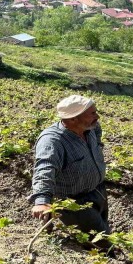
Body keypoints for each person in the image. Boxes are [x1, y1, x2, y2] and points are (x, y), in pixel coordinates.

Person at [29, 94, 110, 238]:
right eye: (92, 113)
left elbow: (97, 136)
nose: (97, 117)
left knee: (104, 231)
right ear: (73, 118)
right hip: (74, 204)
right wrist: (42, 201)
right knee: (101, 240)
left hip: (98, 192)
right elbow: (44, 169)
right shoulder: (52, 141)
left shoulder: (91, 128)